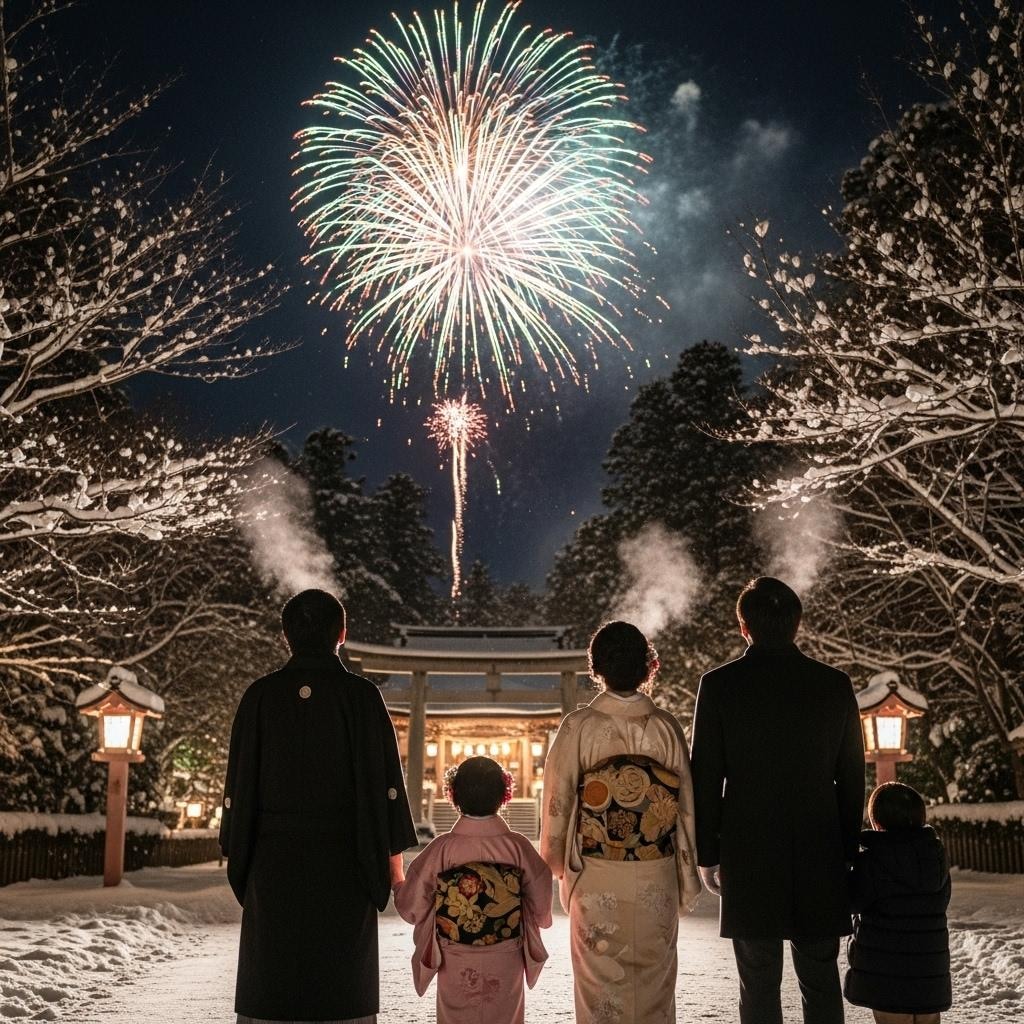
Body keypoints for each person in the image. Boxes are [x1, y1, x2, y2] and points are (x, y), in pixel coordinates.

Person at [219, 588, 418, 1024]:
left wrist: (241, 855)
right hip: (347, 856)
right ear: (342, 634)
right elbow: (385, 782)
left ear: (285, 636)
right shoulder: (361, 696)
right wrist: (392, 863)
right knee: (340, 977)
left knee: (273, 972)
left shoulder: (260, 696)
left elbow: (240, 782)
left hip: (273, 859)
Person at [689, 576, 865, 1024]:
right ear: (797, 625)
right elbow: (850, 778)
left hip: (748, 848)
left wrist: (708, 853)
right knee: (821, 977)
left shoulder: (719, 685)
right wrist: (847, 851)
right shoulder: (833, 684)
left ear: (744, 626)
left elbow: (705, 777)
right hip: (819, 843)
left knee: (758, 979)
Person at [540, 620, 701, 1024]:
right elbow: (685, 808)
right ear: (648, 667)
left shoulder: (579, 727)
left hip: (597, 873)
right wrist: (685, 866)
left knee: (599, 982)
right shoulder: (665, 728)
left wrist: (555, 861)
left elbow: (558, 803)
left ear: (597, 668)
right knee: (655, 982)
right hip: (655, 871)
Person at [394, 756, 553, 1024]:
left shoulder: (441, 848)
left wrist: (397, 881)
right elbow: (541, 903)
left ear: (454, 795)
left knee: (457, 1013)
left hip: (455, 953)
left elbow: (412, 906)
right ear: (504, 795)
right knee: (505, 1013)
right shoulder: (518, 846)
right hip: (506, 951)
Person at [844, 782, 952, 1024]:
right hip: (929, 968)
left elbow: (852, 901)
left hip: (885, 970)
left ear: (877, 820)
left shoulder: (872, 860)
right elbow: (943, 900)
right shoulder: (935, 857)